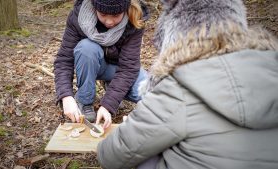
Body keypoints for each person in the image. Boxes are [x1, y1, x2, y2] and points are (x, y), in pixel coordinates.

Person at [97, 0, 278, 169]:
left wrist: (134, 126)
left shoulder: (175, 89)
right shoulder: (272, 73)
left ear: (171, 38)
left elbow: (111, 155)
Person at [54, 0, 149, 128]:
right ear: (94, 8)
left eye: (116, 16)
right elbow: (64, 59)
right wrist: (65, 96)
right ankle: (85, 101)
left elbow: (128, 68)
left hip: (119, 69)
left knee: (150, 93)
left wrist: (108, 105)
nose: (109, 21)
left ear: (125, 9)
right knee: (87, 48)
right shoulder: (78, 17)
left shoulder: (135, 19)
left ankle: (111, 85)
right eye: (103, 14)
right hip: (91, 63)